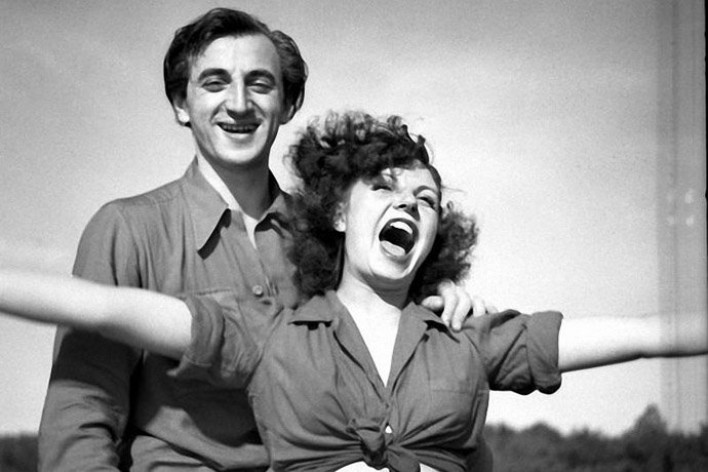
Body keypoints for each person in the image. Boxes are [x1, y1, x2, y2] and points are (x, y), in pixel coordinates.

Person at [2, 111, 705, 471]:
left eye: (426, 200)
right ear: (339, 212)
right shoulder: (267, 332)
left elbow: (646, 335)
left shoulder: (467, 335)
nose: (409, 205)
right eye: (385, 188)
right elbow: (102, 306)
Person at [38, 9, 481, 472]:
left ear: (287, 104)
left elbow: (392, 345)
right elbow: (80, 418)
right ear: (181, 104)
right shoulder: (127, 229)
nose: (239, 104)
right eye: (215, 83)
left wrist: (439, 296)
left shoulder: (333, 237)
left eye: (260, 83)